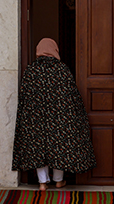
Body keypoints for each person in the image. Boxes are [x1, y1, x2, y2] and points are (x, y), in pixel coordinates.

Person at [12, 37, 96, 190]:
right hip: (59, 117)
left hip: (36, 118)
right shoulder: (61, 69)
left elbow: (24, 96)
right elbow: (71, 95)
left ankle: (42, 183)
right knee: (59, 146)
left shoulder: (31, 70)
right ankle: (58, 180)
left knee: (38, 147)